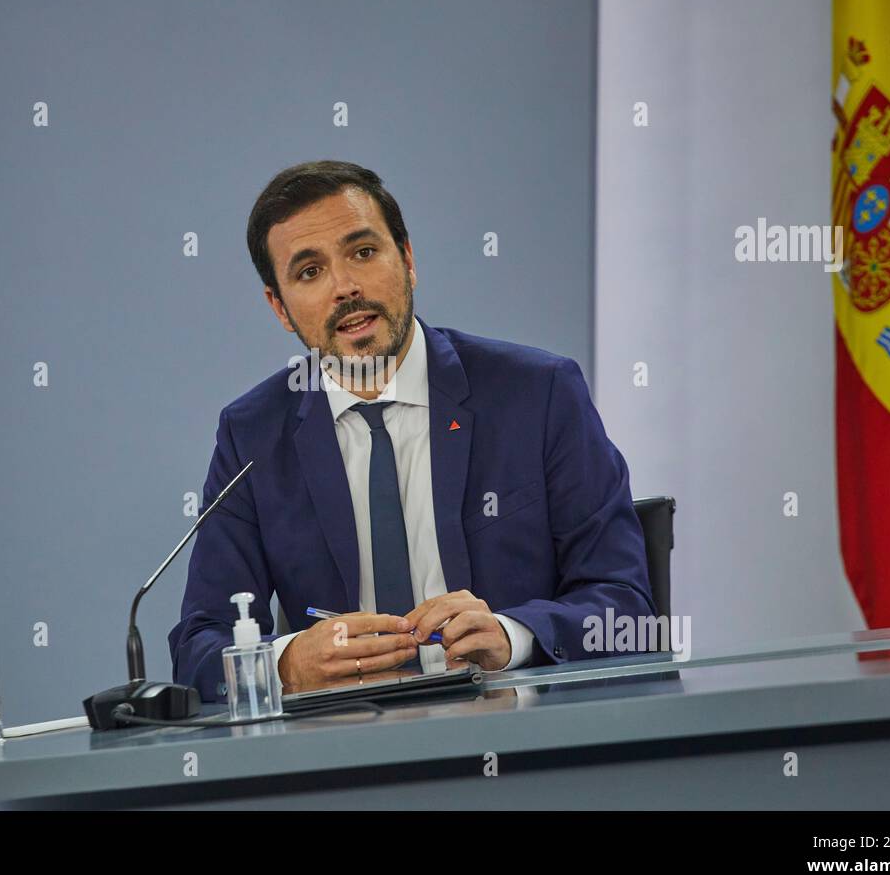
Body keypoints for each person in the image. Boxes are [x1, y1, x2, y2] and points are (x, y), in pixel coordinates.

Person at [168, 160, 654, 701]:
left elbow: (626, 606)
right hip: (349, 758)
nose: (345, 287)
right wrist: (288, 664)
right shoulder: (252, 436)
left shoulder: (537, 394)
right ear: (279, 307)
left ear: (407, 259)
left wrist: (511, 636)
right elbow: (198, 647)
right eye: (310, 272)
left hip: (522, 746)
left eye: (363, 252)